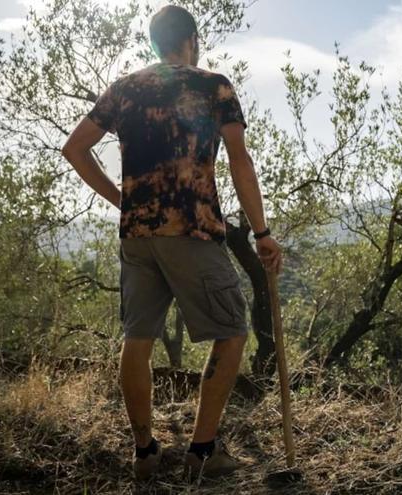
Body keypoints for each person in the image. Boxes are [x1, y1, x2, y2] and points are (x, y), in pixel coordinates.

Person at [60, 5, 281, 481]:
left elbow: (74, 149)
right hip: (191, 228)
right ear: (193, 40)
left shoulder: (126, 88)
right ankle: (203, 451)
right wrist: (261, 233)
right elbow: (240, 163)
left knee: (136, 339)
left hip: (137, 233)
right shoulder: (213, 85)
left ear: (155, 44)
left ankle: (144, 453)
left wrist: (123, 200)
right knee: (233, 330)